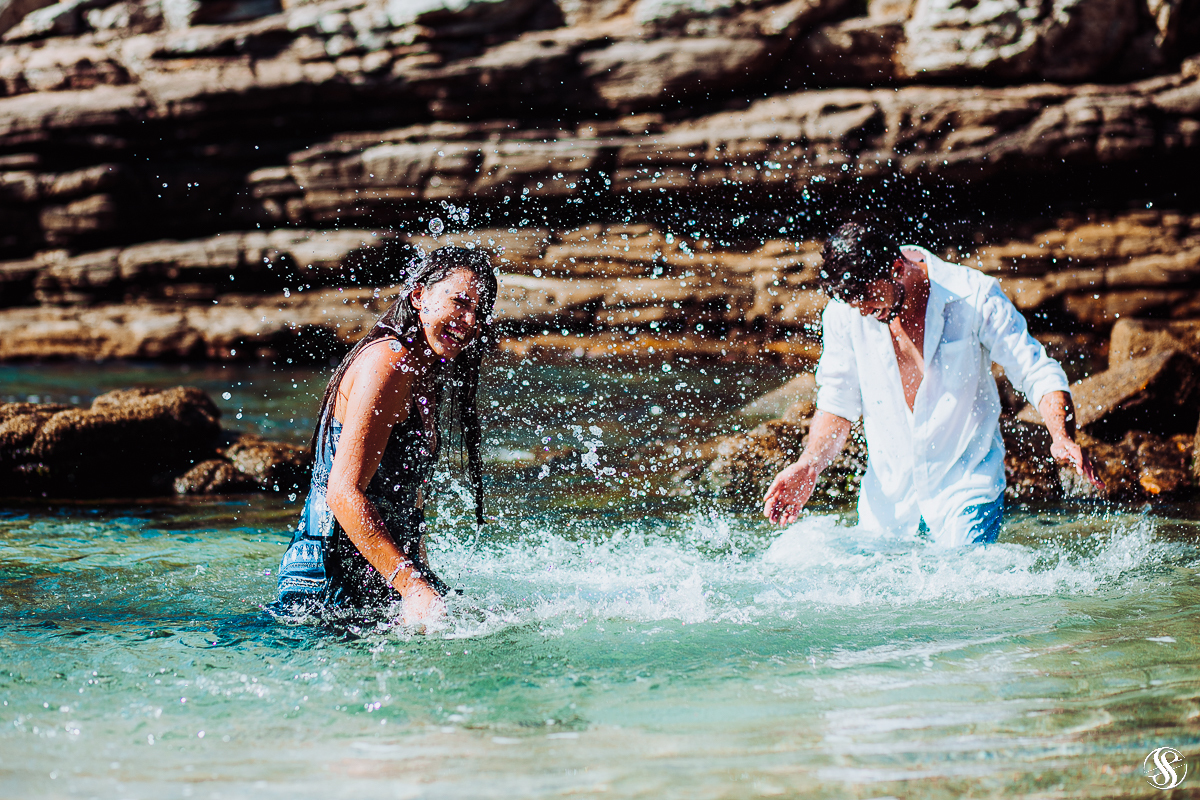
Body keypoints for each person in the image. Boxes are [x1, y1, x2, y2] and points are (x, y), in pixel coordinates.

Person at [763, 222, 1103, 547]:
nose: (864, 311)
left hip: (967, 489)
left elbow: (1036, 371)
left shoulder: (974, 295)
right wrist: (809, 464)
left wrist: (1061, 436)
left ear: (896, 268)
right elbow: (837, 403)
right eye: (856, 304)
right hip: (888, 505)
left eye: (870, 299)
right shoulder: (846, 313)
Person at [275, 247, 498, 624]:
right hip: (328, 586)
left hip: (378, 577)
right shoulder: (389, 362)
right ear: (419, 296)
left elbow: (407, 493)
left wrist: (423, 577)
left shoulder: (425, 367)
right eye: (460, 302)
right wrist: (413, 587)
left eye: (479, 310)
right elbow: (342, 492)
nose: (469, 319)